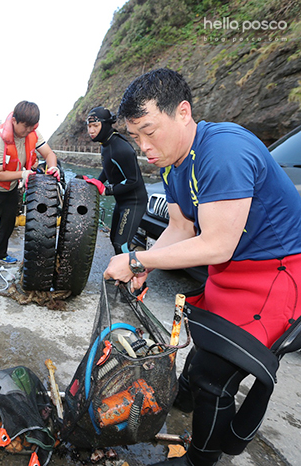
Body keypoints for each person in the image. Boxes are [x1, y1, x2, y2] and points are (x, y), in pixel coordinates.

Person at [103, 68, 301, 466]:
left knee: (214, 375)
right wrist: (148, 270)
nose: (144, 147)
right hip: (231, 271)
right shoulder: (174, 164)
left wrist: (137, 258)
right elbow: (180, 227)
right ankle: (190, 404)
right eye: (135, 137)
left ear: (182, 112)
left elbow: (216, 244)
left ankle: (202, 459)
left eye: (149, 131)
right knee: (200, 354)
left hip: (278, 273)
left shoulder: (224, 152)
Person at [0, 101, 61, 280]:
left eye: (31, 127)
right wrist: (23, 174)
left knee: (8, 221)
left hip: (11, 185)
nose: (27, 131)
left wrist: (53, 167)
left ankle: (0, 254)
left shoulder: (33, 133)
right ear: (15, 121)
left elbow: (49, 154)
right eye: (25, 127)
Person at [87, 106, 147, 254]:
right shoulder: (106, 144)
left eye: (95, 125)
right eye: (89, 126)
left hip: (134, 202)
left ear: (106, 124)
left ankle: (134, 276)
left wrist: (107, 190)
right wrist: (97, 182)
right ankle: (123, 274)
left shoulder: (120, 148)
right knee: (114, 240)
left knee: (122, 245)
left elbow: (134, 180)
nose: (91, 130)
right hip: (121, 200)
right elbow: (109, 169)